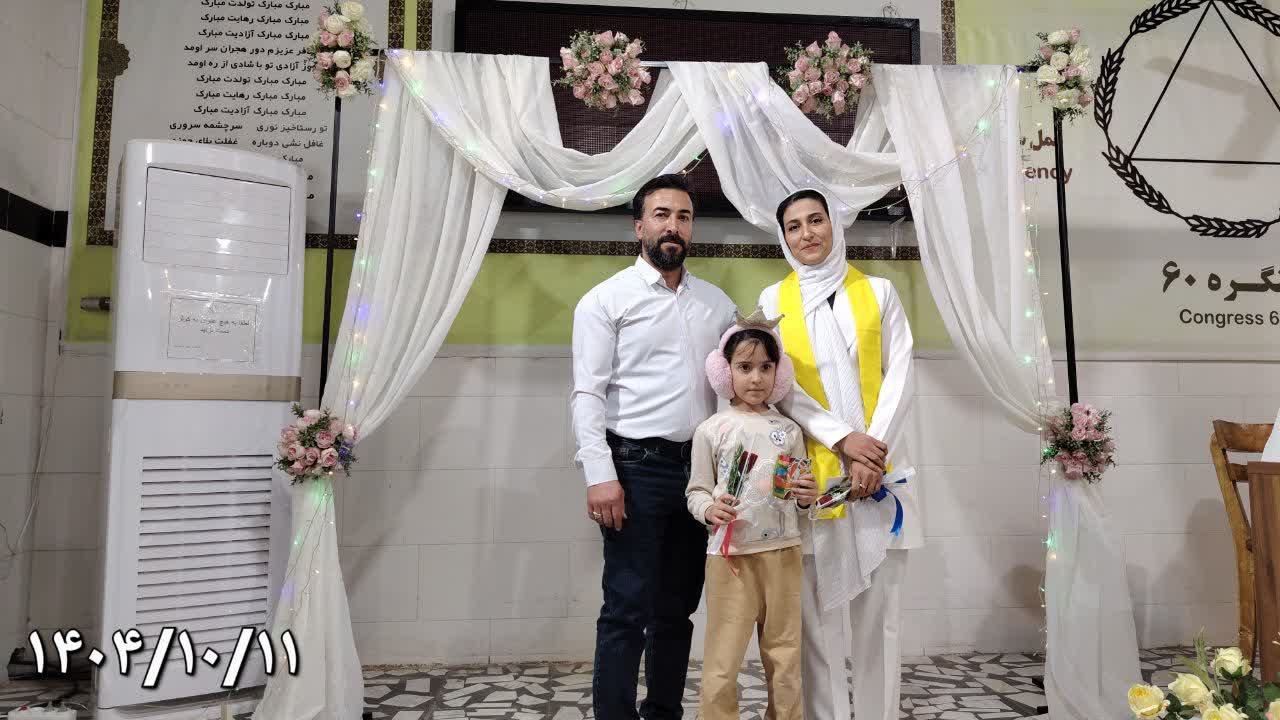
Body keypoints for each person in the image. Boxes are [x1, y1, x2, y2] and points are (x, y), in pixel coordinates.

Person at [571, 174, 737, 720]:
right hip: (633, 469)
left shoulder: (716, 305)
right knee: (626, 608)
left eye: (684, 217)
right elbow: (587, 394)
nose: (673, 226)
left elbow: (735, 388)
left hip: (698, 475)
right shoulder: (606, 300)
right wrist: (600, 475)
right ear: (638, 226)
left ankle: (664, 713)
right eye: (661, 215)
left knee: (677, 610)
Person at [758, 189, 919, 720]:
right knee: (817, 623)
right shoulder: (772, 302)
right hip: (814, 479)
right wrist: (843, 440)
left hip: (879, 476)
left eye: (816, 220)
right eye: (794, 226)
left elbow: (901, 373)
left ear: (834, 224)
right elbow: (780, 388)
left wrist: (871, 455)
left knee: (880, 622)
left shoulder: (879, 291)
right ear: (784, 238)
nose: (807, 233)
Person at [685, 309, 820, 720]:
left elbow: (799, 493)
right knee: (723, 659)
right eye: (745, 367)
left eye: (766, 367)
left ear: (779, 373)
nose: (756, 378)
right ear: (725, 372)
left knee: (785, 655)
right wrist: (709, 509)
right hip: (730, 558)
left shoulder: (789, 431)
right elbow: (696, 491)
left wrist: (806, 498)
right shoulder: (711, 430)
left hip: (784, 552)